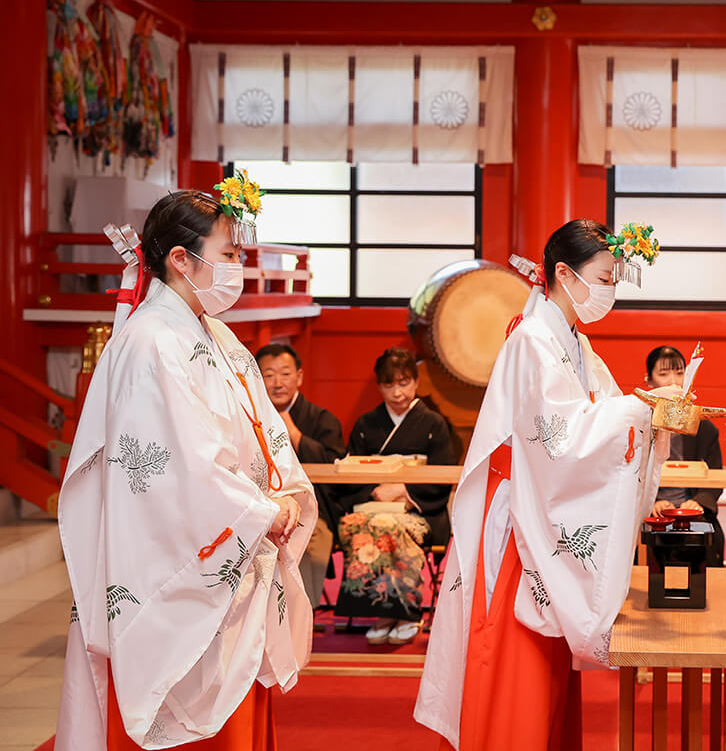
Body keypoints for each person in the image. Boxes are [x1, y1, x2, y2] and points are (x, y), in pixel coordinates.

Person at [55, 183, 316, 749]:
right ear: (180, 259)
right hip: (196, 547)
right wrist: (261, 508)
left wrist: (283, 491)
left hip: (240, 539)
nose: (237, 268)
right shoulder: (153, 339)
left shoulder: (209, 332)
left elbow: (257, 427)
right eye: (228, 255)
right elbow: (174, 465)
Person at [415, 220, 673, 750]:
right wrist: (640, 409)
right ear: (563, 273)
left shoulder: (572, 342)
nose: (610, 291)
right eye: (604, 277)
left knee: (546, 676)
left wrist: (645, 412)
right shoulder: (533, 340)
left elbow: (596, 413)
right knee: (519, 667)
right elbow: (565, 437)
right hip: (521, 521)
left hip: (542, 508)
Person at [334, 346, 457, 645]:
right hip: (373, 505)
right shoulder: (366, 425)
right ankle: (387, 612)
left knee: (392, 529)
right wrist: (378, 493)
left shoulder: (433, 424)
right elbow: (350, 473)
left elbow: (444, 477)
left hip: (419, 510)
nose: (398, 392)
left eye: (404, 383)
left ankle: (402, 612)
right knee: (364, 525)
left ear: (416, 383)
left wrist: (405, 491)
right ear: (380, 387)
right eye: (389, 385)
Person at [256, 343, 346, 613]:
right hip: (260, 505)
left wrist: (293, 432)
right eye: (268, 375)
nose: (277, 383)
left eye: (285, 374)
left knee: (310, 536)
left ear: (299, 376)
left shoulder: (321, 418)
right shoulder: (250, 416)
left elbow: (332, 462)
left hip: (311, 507)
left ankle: (302, 611)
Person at [644, 345, 726, 566]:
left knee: (712, 537)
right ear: (649, 382)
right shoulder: (639, 426)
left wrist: (698, 502)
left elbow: (715, 478)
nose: (673, 381)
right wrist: (652, 501)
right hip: (653, 509)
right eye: (663, 374)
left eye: (680, 373)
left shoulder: (704, 428)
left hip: (690, 510)